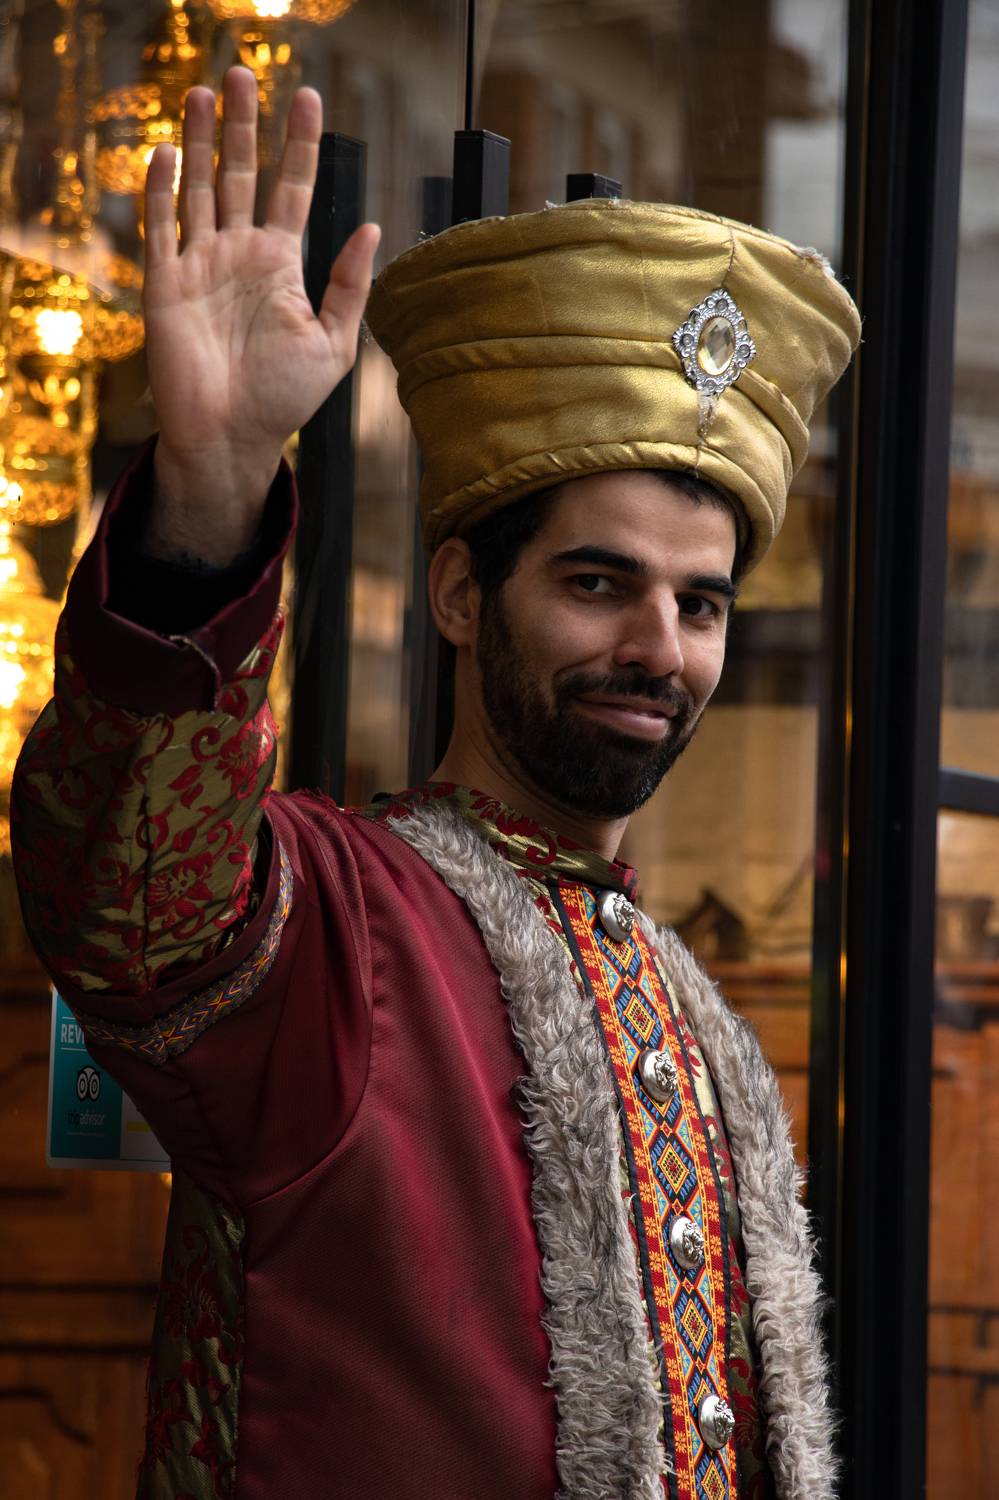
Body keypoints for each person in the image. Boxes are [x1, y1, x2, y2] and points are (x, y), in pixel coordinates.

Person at [11, 66, 860, 1500]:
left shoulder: (692, 1011)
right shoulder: (335, 930)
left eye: (701, 605)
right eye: (599, 584)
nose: (660, 648)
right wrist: (214, 487)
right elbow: (128, 894)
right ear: (462, 593)